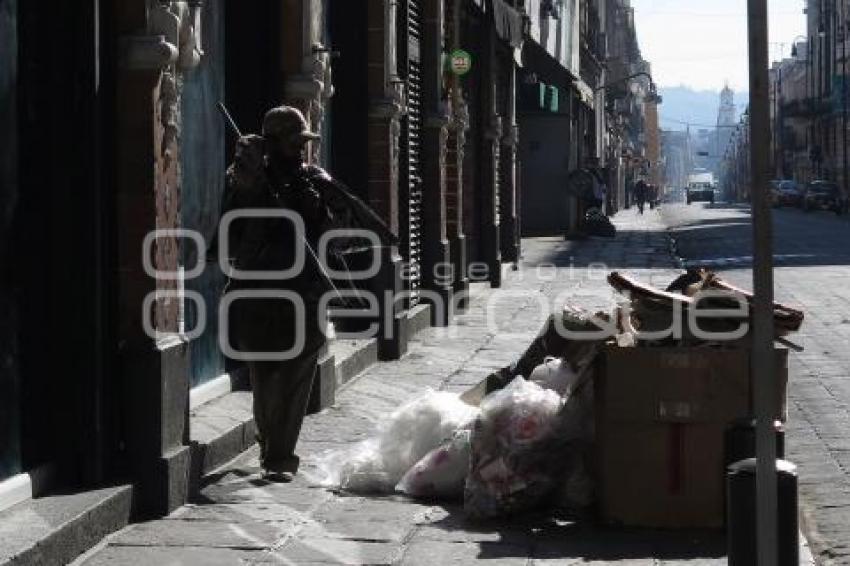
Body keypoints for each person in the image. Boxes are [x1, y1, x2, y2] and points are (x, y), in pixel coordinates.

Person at [218, 106, 394, 482]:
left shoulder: (314, 178)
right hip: (260, 291)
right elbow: (230, 228)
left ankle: (281, 455)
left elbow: (348, 222)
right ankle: (270, 442)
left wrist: (317, 208)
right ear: (273, 142)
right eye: (294, 142)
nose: (302, 150)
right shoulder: (246, 178)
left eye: (304, 142)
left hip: (308, 291)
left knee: (299, 373)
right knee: (265, 375)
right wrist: (254, 186)